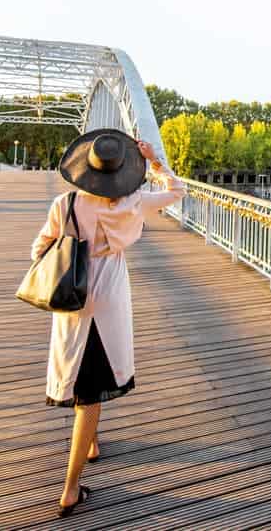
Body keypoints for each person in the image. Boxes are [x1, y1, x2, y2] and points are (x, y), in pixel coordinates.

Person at [29, 128, 186, 517]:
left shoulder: (65, 203)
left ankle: (92, 446)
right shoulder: (133, 202)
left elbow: (38, 250)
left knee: (78, 370)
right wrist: (155, 161)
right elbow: (177, 191)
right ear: (122, 172)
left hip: (75, 296)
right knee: (94, 389)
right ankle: (69, 488)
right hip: (110, 295)